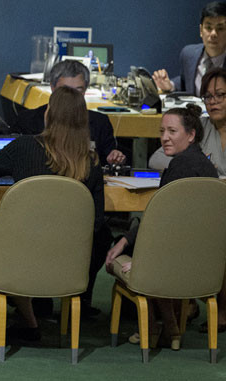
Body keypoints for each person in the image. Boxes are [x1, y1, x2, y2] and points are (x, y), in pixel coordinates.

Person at [0, 86, 110, 336]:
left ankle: (30, 320)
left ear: (48, 115)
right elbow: (96, 222)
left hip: (20, 256)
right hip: (70, 263)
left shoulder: (23, 147)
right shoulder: (92, 163)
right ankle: (76, 304)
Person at [105, 106, 218, 349]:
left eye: (172, 131)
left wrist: (142, 258)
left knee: (127, 258)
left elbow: (166, 225)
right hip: (207, 265)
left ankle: (157, 327)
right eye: (162, 131)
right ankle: (169, 329)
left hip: (175, 259)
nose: (164, 137)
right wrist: (128, 241)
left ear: (191, 135)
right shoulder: (206, 167)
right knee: (133, 246)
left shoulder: (180, 168)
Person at [10, 59, 127, 166]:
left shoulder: (99, 123)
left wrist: (115, 157)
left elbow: (108, 159)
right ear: (52, 88)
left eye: (77, 91)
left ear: (85, 90)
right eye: (65, 91)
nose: (71, 97)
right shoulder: (28, 120)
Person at [149, 67, 226, 175]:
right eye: (208, 96)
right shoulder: (200, 126)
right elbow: (156, 159)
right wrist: (193, 167)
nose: (213, 101)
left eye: (220, 95)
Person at [154, 1, 226, 95]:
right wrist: (170, 85)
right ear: (201, 30)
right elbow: (185, 81)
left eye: (220, 28)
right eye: (208, 27)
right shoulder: (189, 54)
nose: (213, 34)